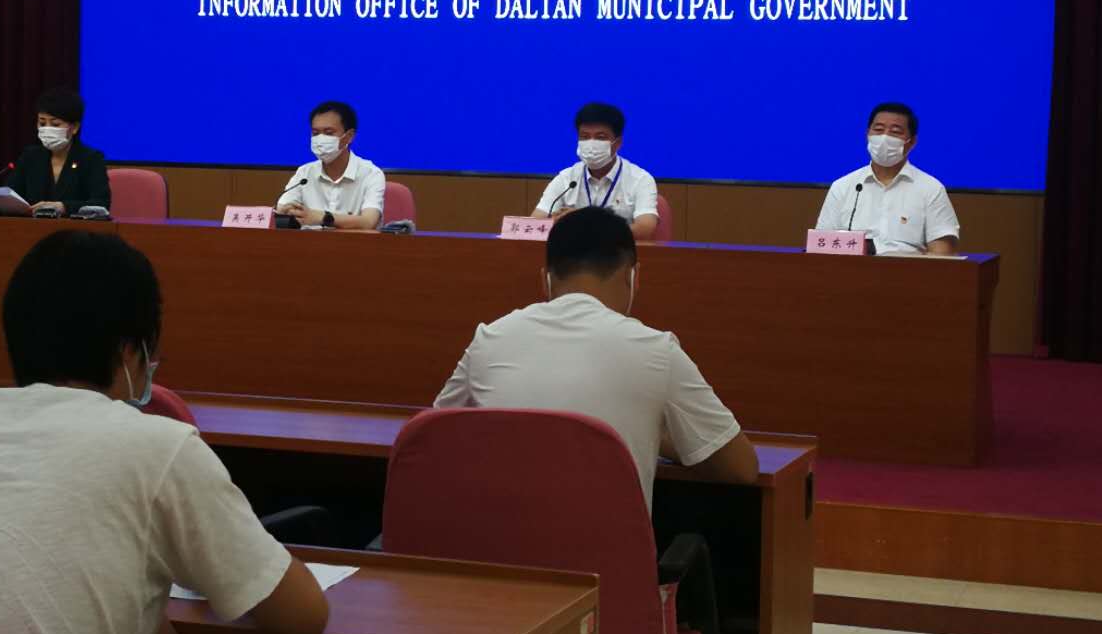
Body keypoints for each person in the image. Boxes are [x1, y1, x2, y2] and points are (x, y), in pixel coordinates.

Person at [0, 231, 329, 634]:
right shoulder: (159, 448)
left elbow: (13, 563)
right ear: (128, 351)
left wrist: (148, 616)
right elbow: (303, 616)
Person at [434, 206, 757, 507]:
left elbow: (433, 438)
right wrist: (653, 433)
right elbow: (741, 468)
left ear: (545, 279)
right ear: (633, 277)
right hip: (610, 551)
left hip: (501, 547)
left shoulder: (489, 337)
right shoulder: (657, 350)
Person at [816, 102, 960, 256]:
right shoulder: (843, 186)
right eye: (878, 130)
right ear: (867, 135)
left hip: (908, 270)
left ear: (911, 142)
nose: (884, 137)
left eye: (895, 132)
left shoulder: (931, 189)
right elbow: (820, 245)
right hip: (851, 269)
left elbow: (942, 253)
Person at [532, 102, 659, 241]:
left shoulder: (640, 179)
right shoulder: (566, 178)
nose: (591, 143)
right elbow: (535, 224)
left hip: (616, 252)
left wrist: (582, 220)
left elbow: (645, 229)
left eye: (600, 137)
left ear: (617, 143)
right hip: (572, 252)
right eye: (585, 136)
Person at [275, 101, 385, 229]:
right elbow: (282, 210)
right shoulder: (304, 173)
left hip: (353, 241)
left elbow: (368, 222)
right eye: (315, 133)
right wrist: (286, 211)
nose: (320, 139)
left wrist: (323, 218)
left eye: (329, 133)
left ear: (349, 136)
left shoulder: (371, 174)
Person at [5, 86, 111, 216]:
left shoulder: (91, 159)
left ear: (75, 127)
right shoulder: (30, 156)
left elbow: (101, 203)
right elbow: (10, 194)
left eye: (55, 124)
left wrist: (64, 207)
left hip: (73, 227)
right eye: (42, 123)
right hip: (32, 225)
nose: (47, 129)